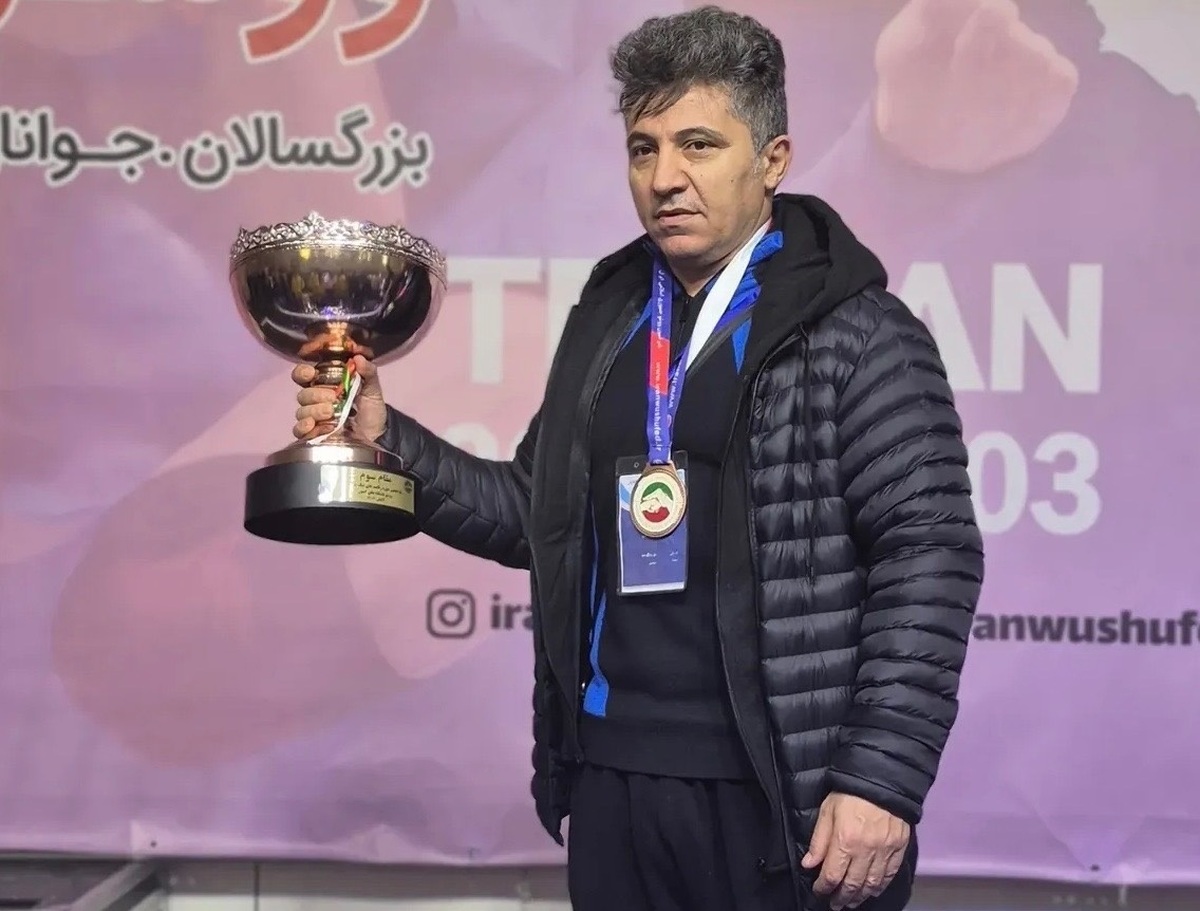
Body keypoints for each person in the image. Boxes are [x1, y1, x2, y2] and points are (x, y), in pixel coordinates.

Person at [292, 6, 984, 910]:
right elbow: (535, 513)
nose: (665, 178)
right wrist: (387, 438)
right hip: (615, 781)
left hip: (787, 799)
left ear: (773, 160)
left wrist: (880, 780)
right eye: (643, 148)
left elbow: (929, 556)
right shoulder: (612, 318)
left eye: (699, 145)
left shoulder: (861, 333)